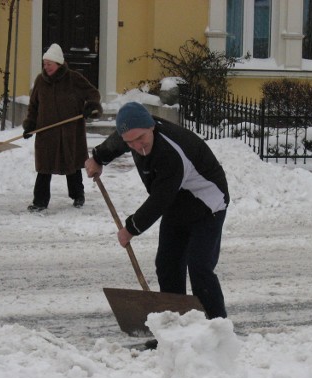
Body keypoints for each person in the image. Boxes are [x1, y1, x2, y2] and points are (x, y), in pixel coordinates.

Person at [85, 102, 229, 321]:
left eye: (140, 138)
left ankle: (216, 325)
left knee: (199, 266)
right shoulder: (135, 134)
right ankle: (174, 323)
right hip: (177, 203)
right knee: (167, 265)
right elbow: (117, 142)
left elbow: (160, 199)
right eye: (130, 142)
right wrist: (98, 158)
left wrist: (131, 228)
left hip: (207, 205)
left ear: (151, 127)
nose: (137, 145)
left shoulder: (171, 152)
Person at [23, 43, 102, 212]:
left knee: (72, 164)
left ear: (58, 64)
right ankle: (40, 202)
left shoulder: (74, 78)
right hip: (47, 132)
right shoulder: (40, 81)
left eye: (49, 64)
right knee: (44, 168)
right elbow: (33, 106)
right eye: (45, 64)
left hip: (70, 131)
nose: (46, 67)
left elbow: (93, 93)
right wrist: (30, 124)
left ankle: (78, 196)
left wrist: (92, 106)